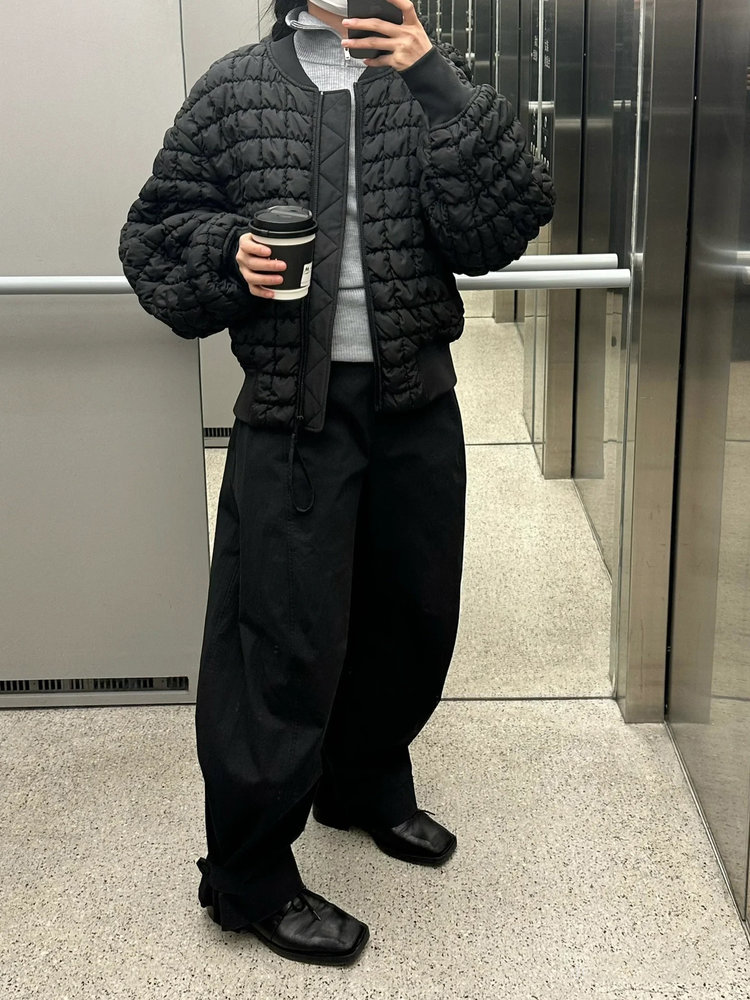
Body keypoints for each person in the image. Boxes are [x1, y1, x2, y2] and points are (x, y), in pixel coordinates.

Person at [119, 0, 554, 968]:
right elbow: (153, 233)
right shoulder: (235, 88)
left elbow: (502, 223)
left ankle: (361, 783)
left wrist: (434, 78)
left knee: (413, 612)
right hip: (289, 412)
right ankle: (248, 875)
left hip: (413, 401)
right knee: (279, 641)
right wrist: (227, 249)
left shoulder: (425, 76)